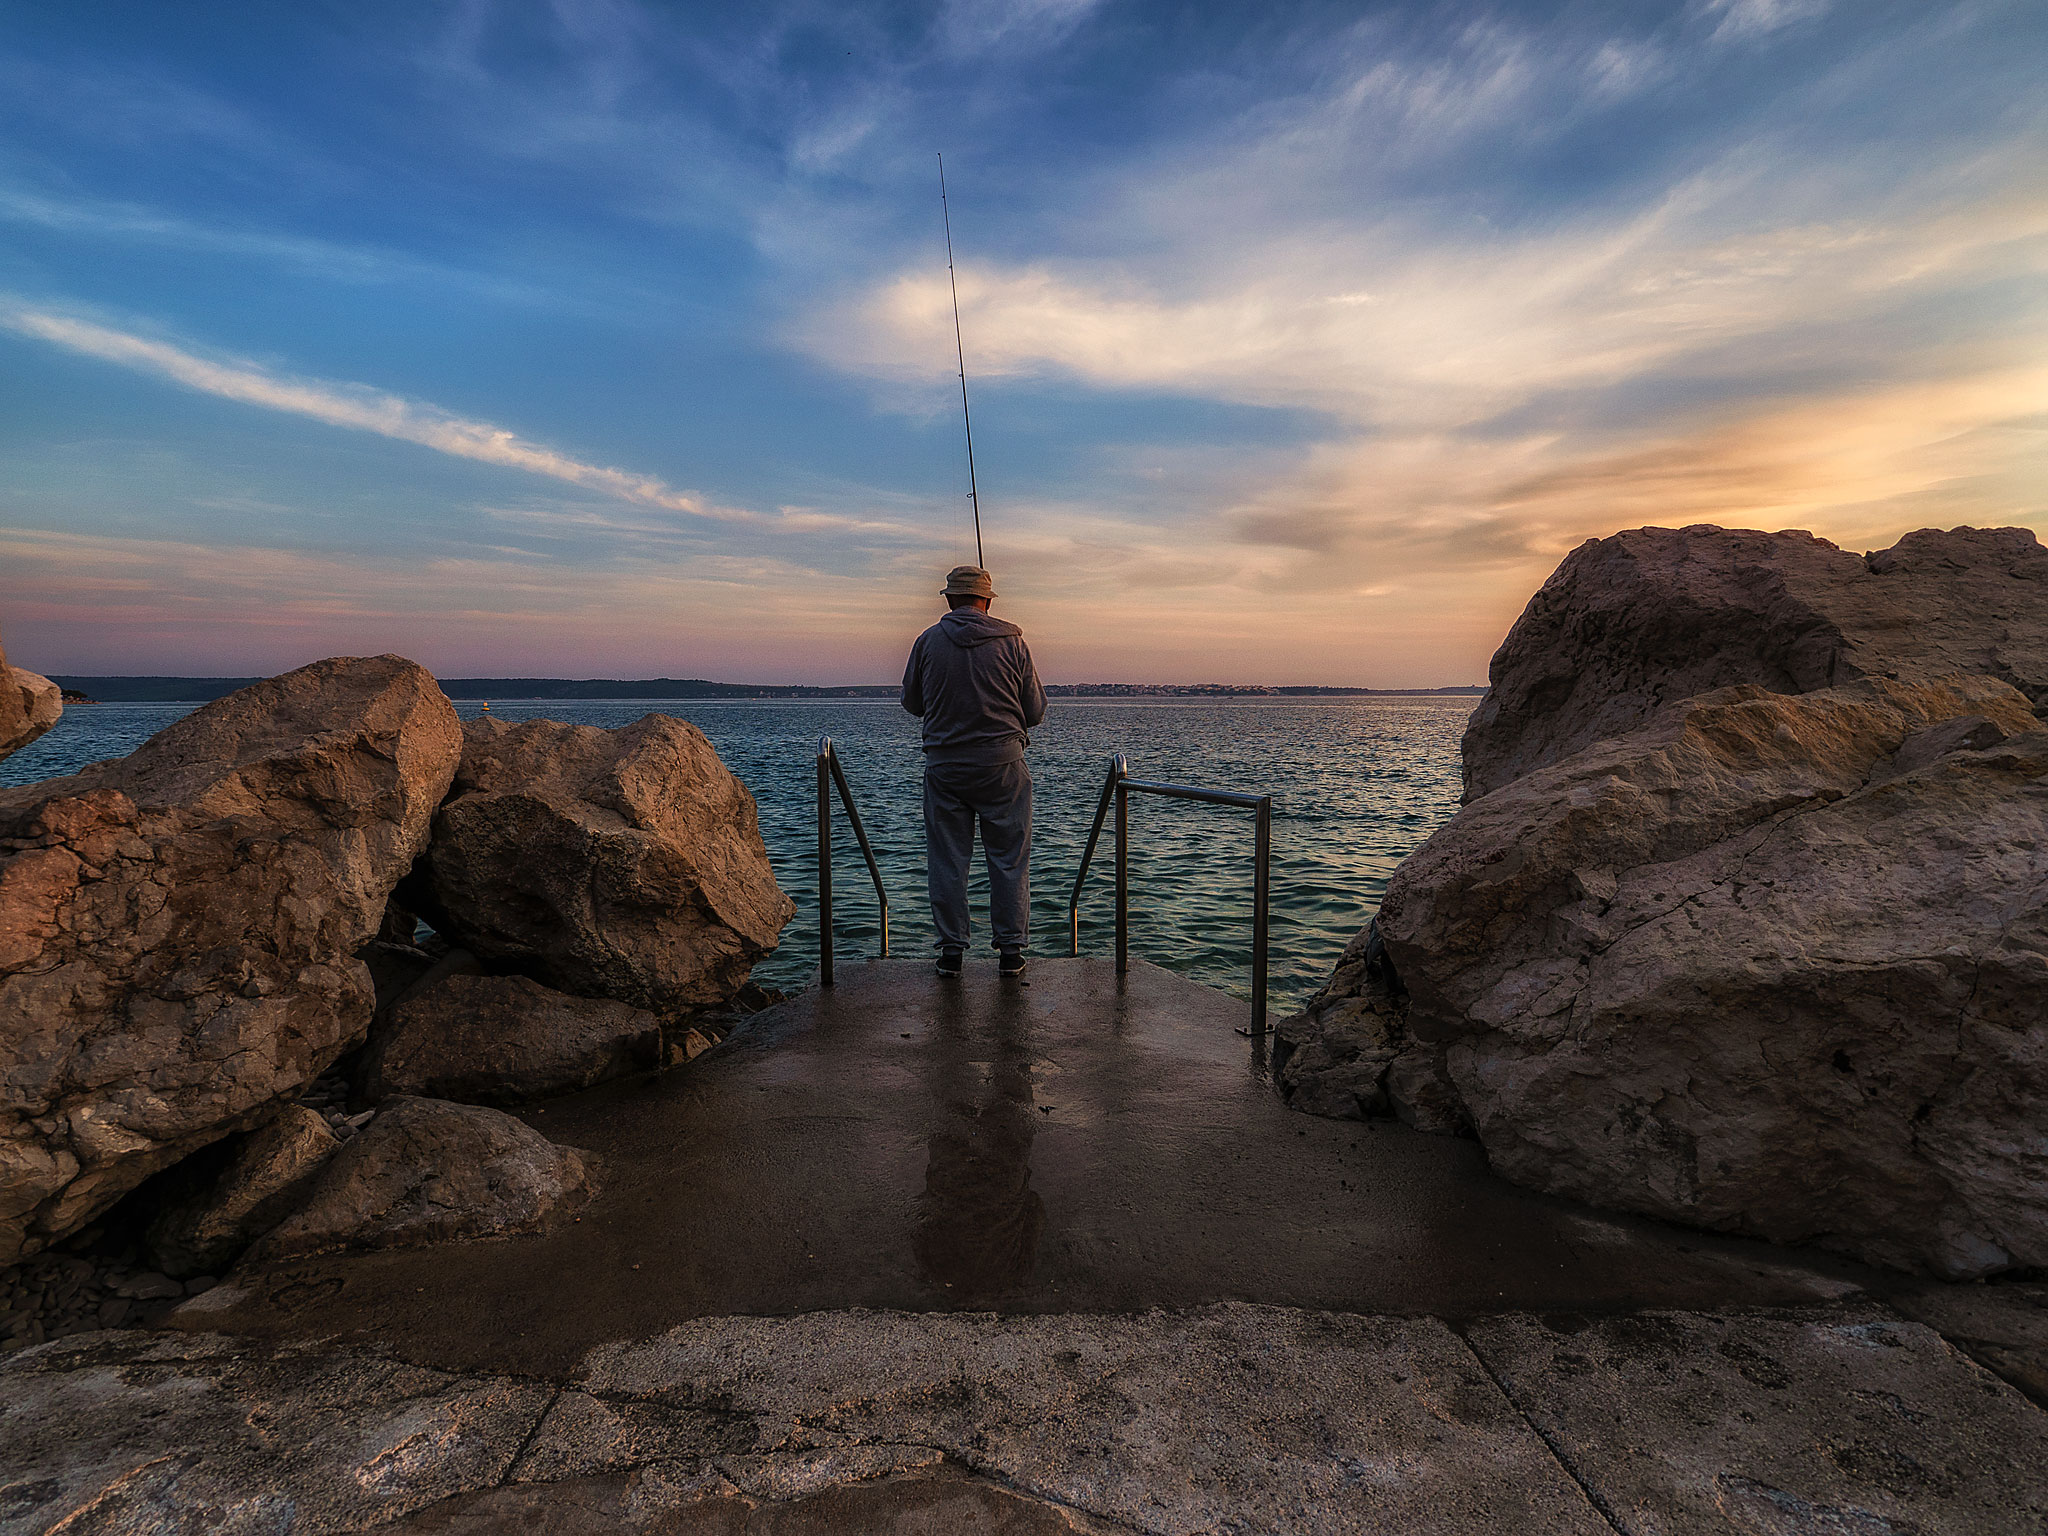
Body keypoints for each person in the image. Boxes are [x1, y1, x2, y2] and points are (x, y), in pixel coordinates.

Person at [900, 565, 1047, 978]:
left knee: (947, 860)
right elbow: (1034, 712)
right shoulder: (1014, 644)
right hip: (1003, 767)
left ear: (948, 599)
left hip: (945, 767)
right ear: (987, 601)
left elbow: (912, 704)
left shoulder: (926, 642)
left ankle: (950, 952)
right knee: (1009, 860)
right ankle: (1011, 952)